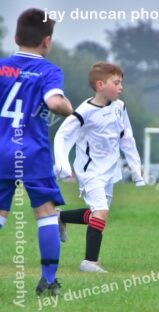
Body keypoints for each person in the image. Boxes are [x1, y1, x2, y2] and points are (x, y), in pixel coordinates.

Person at [0, 9, 73, 295]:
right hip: (32, 152)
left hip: (1, 150)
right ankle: (48, 280)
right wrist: (70, 109)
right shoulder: (48, 71)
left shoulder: (2, 68)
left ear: (16, 36)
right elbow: (55, 103)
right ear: (47, 41)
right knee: (45, 213)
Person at [54, 62, 145, 272]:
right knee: (101, 212)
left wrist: (136, 171)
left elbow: (127, 139)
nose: (121, 87)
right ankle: (89, 262)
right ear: (100, 85)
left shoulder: (120, 107)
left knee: (98, 214)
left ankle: (60, 217)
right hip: (90, 171)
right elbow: (63, 135)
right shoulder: (84, 112)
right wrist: (63, 165)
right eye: (117, 83)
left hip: (110, 172)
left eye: (121, 82)